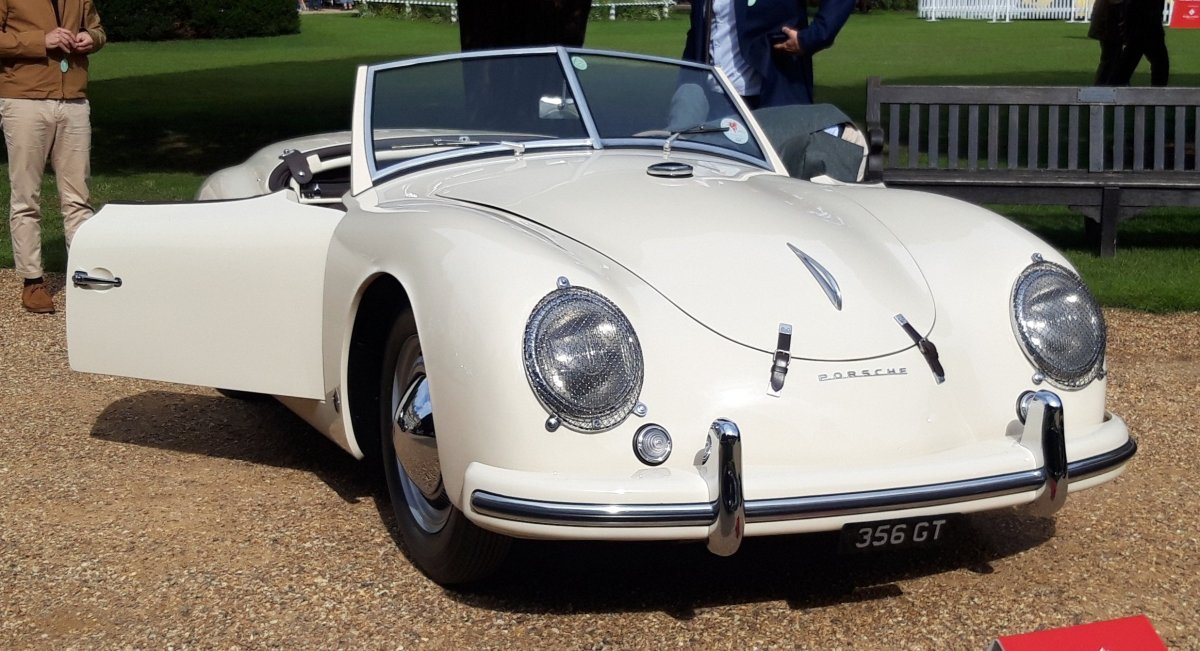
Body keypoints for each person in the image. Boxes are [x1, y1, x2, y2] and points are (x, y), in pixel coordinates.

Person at [0, 0, 105, 314]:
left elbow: (97, 29)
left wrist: (91, 39)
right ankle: (32, 281)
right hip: (24, 100)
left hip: (74, 100)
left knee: (78, 197)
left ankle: (83, 274)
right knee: (25, 197)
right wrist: (40, 41)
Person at [682, 0, 854, 108]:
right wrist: (685, 86)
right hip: (710, 97)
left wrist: (813, 36)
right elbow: (699, 30)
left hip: (772, 96)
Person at [1114, 0, 1169, 86]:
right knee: (1161, 64)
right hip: (1146, 28)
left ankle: (1115, 85)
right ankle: (1158, 90)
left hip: (1141, 28)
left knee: (1127, 62)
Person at [1088, 0, 1126, 85]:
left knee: (1114, 58)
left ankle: (1113, 84)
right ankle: (1103, 86)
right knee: (1111, 59)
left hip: (1109, 22)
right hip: (1109, 23)